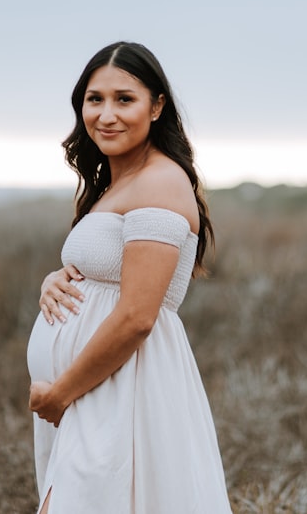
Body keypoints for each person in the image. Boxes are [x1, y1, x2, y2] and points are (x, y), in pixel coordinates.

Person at [27, 41, 232, 513]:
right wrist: (55, 281)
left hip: (124, 387)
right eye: (94, 99)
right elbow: (109, 275)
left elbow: (139, 315)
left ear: (157, 106)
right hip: (96, 388)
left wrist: (61, 393)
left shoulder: (159, 181)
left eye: (125, 99)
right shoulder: (118, 182)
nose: (106, 114)